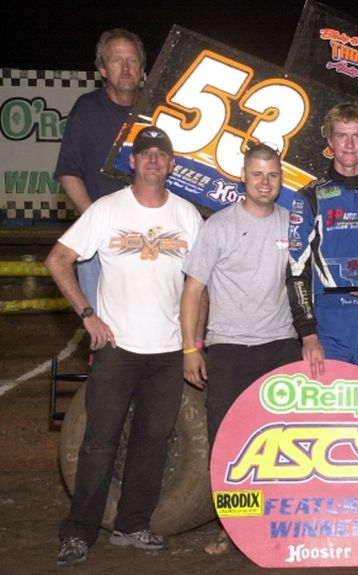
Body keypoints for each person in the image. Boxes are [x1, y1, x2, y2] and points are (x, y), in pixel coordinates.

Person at [46, 126, 203, 567]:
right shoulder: (106, 210)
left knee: (153, 442)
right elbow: (57, 260)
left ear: (172, 164)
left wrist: (193, 341)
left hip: (169, 351)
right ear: (132, 162)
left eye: (162, 154)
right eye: (145, 153)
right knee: (99, 441)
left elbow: (199, 285)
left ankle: (132, 525)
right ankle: (78, 533)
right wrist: (86, 313)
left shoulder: (188, 215)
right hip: (118, 348)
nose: (153, 160)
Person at [180, 142, 302, 555]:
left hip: (281, 346)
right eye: (257, 175)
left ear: (281, 179)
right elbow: (192, 290)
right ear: (243, 178)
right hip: (229, 347)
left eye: (273, 175)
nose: (265, 182)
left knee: (282, 442)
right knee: (231, 444)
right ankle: (231, 527)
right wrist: (190, 349)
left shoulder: (293, 224)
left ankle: (277, 523)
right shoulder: (219, 225)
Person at [287, 101, 358, 381]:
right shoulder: (308, 198)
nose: (349, 144)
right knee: (327, 413)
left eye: (357, 136)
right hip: (328, 319)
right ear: (329, 140)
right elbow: (295, 271)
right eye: (341, 135)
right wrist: (308, 334)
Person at [55, 28, 146, 311]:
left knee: (151, 323)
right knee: (101, 329)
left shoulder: (156, 110)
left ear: (142, 68)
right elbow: (68, 172)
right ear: (102, 69)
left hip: (152, 239)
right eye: (117, 60)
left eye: (132, 60)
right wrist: (97, 223)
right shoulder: (86, 109)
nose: (126, 67)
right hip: (99, 243)